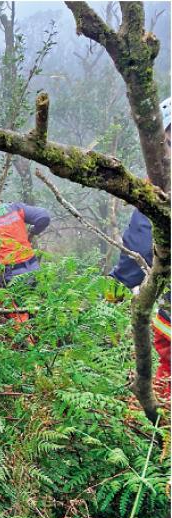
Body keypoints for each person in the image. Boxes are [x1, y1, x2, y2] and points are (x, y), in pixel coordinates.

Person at [108, 96, 171, 400]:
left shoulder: (161, 186)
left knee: (166, 372)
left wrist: (118, 285)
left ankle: (159, 422)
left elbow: (142, 240)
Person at [0, 184, 51, 286]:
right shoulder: (15, 208)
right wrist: (32, 233)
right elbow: (44, 217)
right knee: (37, 295)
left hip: (8, 273)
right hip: (33, 266)